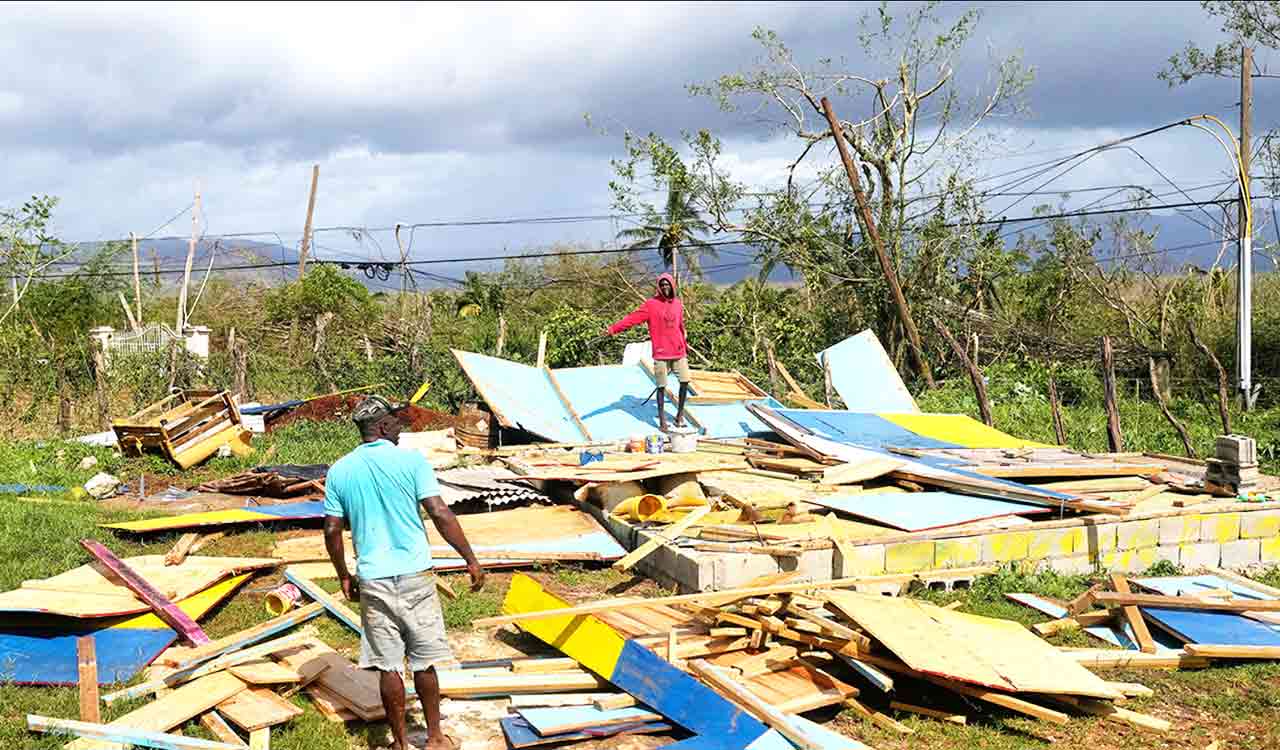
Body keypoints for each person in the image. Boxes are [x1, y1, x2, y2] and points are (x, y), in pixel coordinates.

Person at [323, 395, 485, 750]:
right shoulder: (412, 461)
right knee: (425, 662)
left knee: (388, 665)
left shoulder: (340, 471)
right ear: (382, 426)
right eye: (395, 423)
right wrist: (470, 559)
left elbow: (332, 530)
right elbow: (440, 512)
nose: (399, 428)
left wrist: (343, 575)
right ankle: (435, 737)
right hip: (415, 574)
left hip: (374, 578)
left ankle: (398, 743)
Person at [605, 272, 690, 431]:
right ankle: (662, 420)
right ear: (659, 287)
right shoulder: (651, 305)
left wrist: (685, 346)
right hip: (661, 353)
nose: (665, 287)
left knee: (685, 381)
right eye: (662, 285)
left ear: (672, 286)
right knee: (661, 386)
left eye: (668, 284)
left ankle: (679, 415)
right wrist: (612, 329)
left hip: (678, 351)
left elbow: (680, 327)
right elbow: (632, 319)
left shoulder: (678, 304)